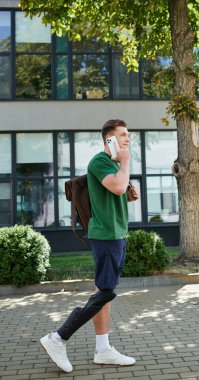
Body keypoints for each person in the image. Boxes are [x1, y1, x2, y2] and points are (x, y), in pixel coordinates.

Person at [40, 119, 140, 373]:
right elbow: (117, 187)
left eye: (129, 135)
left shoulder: (113, 164)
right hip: (106, 235)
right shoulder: (100, 161)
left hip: (116, 234)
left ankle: (103, 349)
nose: (128, 139)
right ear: (110, 140)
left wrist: (130, 193)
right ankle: (58, 338)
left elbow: (117, 193)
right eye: (123, 135)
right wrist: (125, 164)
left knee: (103, 294)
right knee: (106, 292)